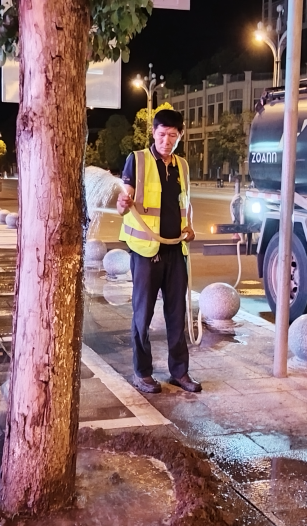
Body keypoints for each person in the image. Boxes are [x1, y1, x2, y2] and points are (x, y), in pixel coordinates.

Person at [116, 109, 202, 394]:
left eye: (173, 135)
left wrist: (189, 227)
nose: (167, 141)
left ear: (180, 136)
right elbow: (125, 196)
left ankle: (179, 372)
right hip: (146, 251)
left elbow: (184, 203)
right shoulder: (137, 160)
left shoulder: (182, 166)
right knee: (142, 315)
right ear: (153, 133)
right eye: (162, 134)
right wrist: (122, 204)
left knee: (177, 315)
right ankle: (142, 373)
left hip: (176, 249)